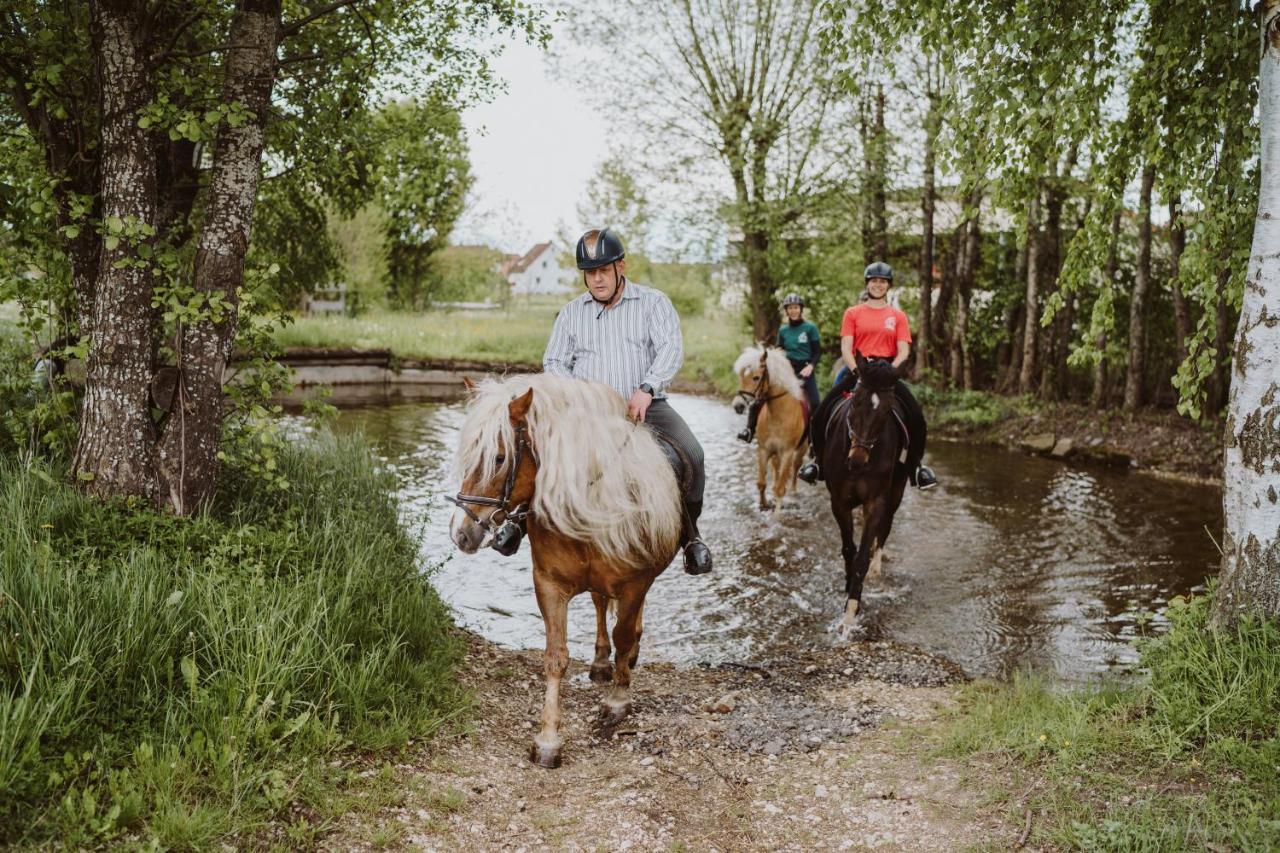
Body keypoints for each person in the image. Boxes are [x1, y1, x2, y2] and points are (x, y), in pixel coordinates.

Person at [543, 228, 713, 575]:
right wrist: (580, 395)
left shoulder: (653, 303)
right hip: (588, 413)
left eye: (604, 270)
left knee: (693, 454)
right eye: (590, 273)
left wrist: (647, 388)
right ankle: (517, 522)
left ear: (621, 266)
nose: (597, 279)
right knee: (537, 452)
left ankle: (690, 536)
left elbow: (670, 348)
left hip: (647, 406)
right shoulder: (571, 313)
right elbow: (554, 361)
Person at [797, 261, 938, 489]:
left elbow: (904, 350)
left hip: (886, 371)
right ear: (868, 284)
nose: (878, 285)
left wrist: (892, 370)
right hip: (857, 368)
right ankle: (816, 462)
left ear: (888, 285)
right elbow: (846, 346)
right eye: (874, 281)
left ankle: (917, 468)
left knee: (917, 417)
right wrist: (856, 369)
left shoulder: (897, 316)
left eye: (882, 282)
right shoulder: (853, 313)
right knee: (821, 412)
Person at [736, 293, 821, 443]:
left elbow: (817, 351)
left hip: (805, 369)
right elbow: (779, 350)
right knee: (759, 397)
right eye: (790, 308)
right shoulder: (783, 330)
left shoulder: (810, 328)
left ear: (801, 309)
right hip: (786, 369)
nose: (793, 311)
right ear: (786, 311)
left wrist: (811, 366)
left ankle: (814, 440)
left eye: (796, 308)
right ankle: (749, 429)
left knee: (815, 402)